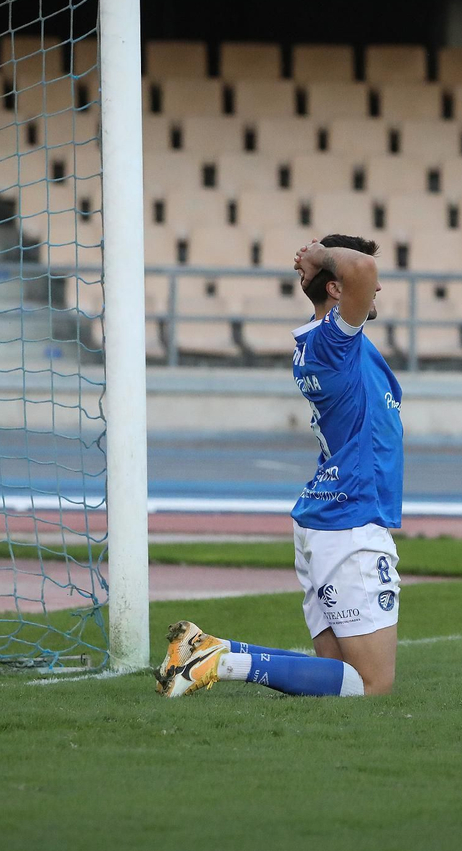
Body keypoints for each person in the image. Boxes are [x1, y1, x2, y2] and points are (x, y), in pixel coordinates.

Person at [155, 235, 403, 699]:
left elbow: (361, 274)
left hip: (325, 519)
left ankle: (209, 648)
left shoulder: (324, 344)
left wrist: (322, 265)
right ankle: (222, 664)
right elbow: (363, 272)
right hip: (349, 521)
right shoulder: (335, 341)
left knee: (337, 676)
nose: (377, 291)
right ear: (336, 289)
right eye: (367, 283)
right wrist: (320, 259)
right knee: (374, 684)